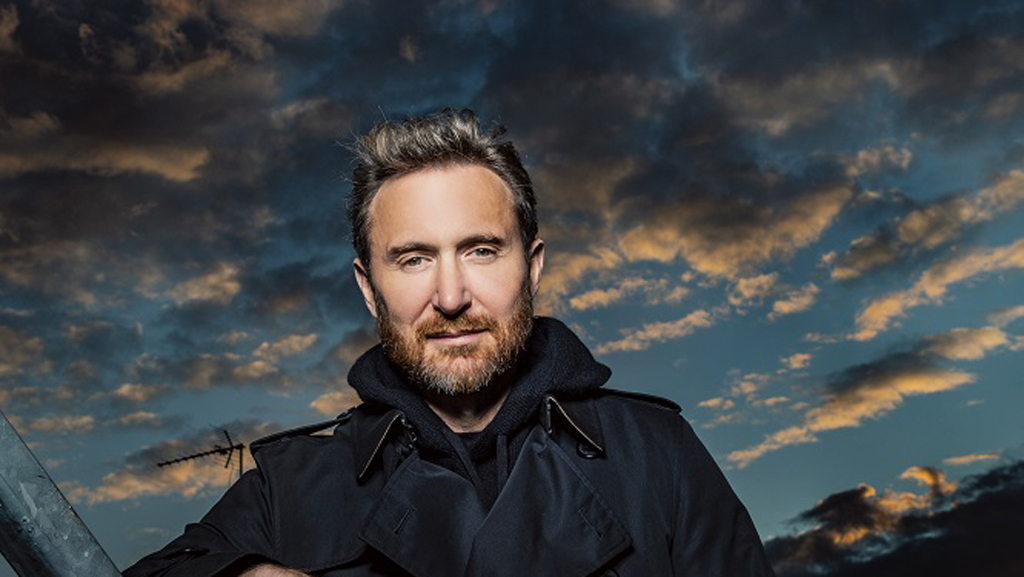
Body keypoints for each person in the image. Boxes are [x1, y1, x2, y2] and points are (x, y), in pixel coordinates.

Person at [124, 109, 775, 577]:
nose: (452, 295)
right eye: (413, 259)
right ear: (369, 288)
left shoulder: (656, 454)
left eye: (481, 250)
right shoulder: (292, 487)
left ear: (532, 267)